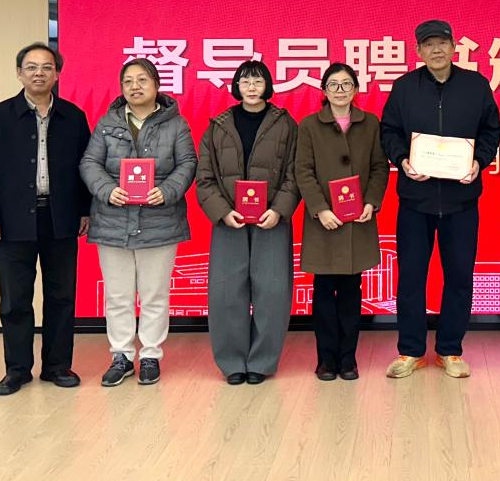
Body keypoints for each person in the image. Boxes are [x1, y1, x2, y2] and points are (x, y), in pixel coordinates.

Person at [380, 19, 500, 379]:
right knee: (411, 277)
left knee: (460, 276)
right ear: (418, 51)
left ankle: (450, 349)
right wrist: (402, 160)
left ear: (453, 47)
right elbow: (389, 131)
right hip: (414, 200)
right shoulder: (404, 88)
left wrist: (479, 162)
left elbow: (491, 130)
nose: (436, 50)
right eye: (428, 44)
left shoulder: (475, 86)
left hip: (461, 200)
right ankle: (411, 350)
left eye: (442, 43)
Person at [0, 42, 91, 396]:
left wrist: (85, 210)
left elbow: (86, 168)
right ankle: (17, 369)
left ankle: (57, 366)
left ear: (58, 74)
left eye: (47, 67)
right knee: (15, 299)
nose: (39, 73)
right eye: (31, 67)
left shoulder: (73, 117)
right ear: (19, 73)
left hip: (60, 218)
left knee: (61, 296)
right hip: (12, 221)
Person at [79, 58, 197, 386]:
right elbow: (89, 162)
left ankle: (150, 355)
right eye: (128, 81)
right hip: (113, 221)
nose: (135, 86)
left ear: (157, 84)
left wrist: (167, 191)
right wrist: (107, 190)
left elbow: (188, 163)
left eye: (142, 80)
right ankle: (121, 355)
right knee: (118, 295)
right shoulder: (107, 122)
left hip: (160, 221)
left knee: (154, 294)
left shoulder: (176, 124)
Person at [196, 60, 300, 385]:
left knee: (272, 291)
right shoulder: (218, 126)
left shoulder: (286, 124)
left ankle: (262, 362)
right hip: (229, 221)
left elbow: (295, 172)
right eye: (245, 81)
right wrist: (222, 211)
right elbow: (204, 177)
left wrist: (279, 210)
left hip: (272, 221)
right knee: (227, 292)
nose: (251, 87)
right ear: (236, 86)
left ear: (268, 85)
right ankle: (232, 363)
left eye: (257, 81)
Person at [295, 64, 389, 381]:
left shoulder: (370, 123)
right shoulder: (309, 126)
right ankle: (325, 359)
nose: (339, 90)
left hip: (357, 221)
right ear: (324, 91)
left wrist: (371, 202)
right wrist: (320, 209)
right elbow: (303, 171)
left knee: (351, 293)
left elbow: (379, 167)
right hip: (323, 222)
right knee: (323, 293)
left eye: (346, 84)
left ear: (355, 89)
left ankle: (348, 359)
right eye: (333, 84)